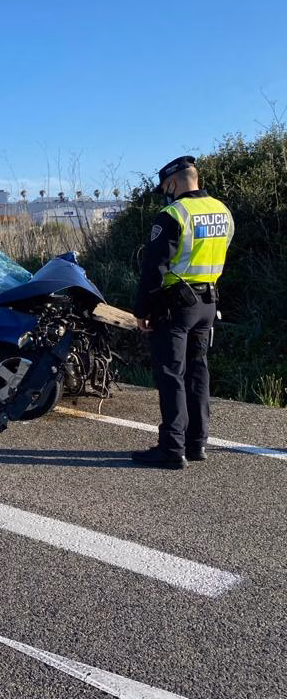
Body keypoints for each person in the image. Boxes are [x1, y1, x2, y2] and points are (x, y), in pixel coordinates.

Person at [132, 155, 234, 469]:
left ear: (173, 182)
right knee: (197, 372)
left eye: (165, 186)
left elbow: (154, 268)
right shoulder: (222, 211)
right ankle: (197, 443)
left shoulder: (173, 214)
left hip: (177, 306)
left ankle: (172, 448)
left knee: (171, 374)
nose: (165, 192)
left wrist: (142, 310)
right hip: (208, 303)